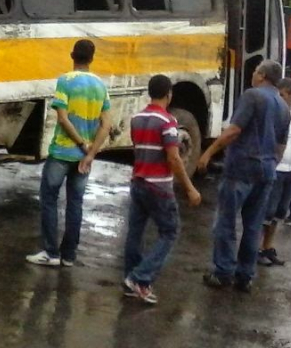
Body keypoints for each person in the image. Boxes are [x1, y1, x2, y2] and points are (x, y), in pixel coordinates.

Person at [196, 60, 290, 292]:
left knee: (226, 222)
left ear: (262, 76)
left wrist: (208, 152)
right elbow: (281, 145)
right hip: (267, 171)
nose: (253, 74)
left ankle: (223, 272)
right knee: (253, 225)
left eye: (256, 70)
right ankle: (245, 276)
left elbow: (235, 130)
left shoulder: (252, 96)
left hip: (242, 167)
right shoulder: (284, 106)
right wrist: (270, 163)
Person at [26, 39, 113, 267]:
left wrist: (81, 144)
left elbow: (63, 119)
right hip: (84, 159)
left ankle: (51, 253)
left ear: (72, 55)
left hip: (62, 152)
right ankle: (69, 256)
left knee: (49, 199)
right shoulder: (100, 86)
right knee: (75, 203)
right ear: (92, 59)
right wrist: (91, 152)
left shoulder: (66, 81)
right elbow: (106, 125)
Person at [122, 75, 202, 304]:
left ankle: (130, 279)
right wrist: (189, 188)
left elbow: (138, 149)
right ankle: (141, 278)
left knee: (135, 233)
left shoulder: (137, 118)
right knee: (169, 231)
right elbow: (174, 158)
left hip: (138, 182)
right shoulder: (168, 122)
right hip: (158, 186)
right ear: (169, 94)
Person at [258, 79, 291, 266]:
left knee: (280, 211)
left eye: (282, 95)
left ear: (290, 95)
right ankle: (257, 248)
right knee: (267, 211)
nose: (279, 98)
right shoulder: (272, 110)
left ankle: (268, 247)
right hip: (275, 167)